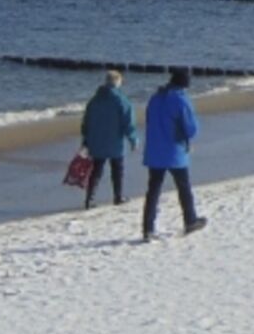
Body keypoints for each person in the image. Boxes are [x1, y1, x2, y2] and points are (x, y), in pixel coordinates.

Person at [141, 66, 208, 241]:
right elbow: (191, 128)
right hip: (174, 149)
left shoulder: (155, 98)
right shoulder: (180, 100)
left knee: (153, 190)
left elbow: (148, 120)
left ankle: (147, 228)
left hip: (155, 149)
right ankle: (190, 220)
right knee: (183, 187)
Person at [79, 69, 138, 209]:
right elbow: (128, 123)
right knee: (117, 169)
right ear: (118, 82)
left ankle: (89, 199)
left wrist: (86, 139)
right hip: (114, 141)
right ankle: (118, 196)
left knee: (96, 171)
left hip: (96, 141)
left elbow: (86, 122)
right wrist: (133, 139)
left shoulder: (94, 100)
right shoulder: (122, 101)